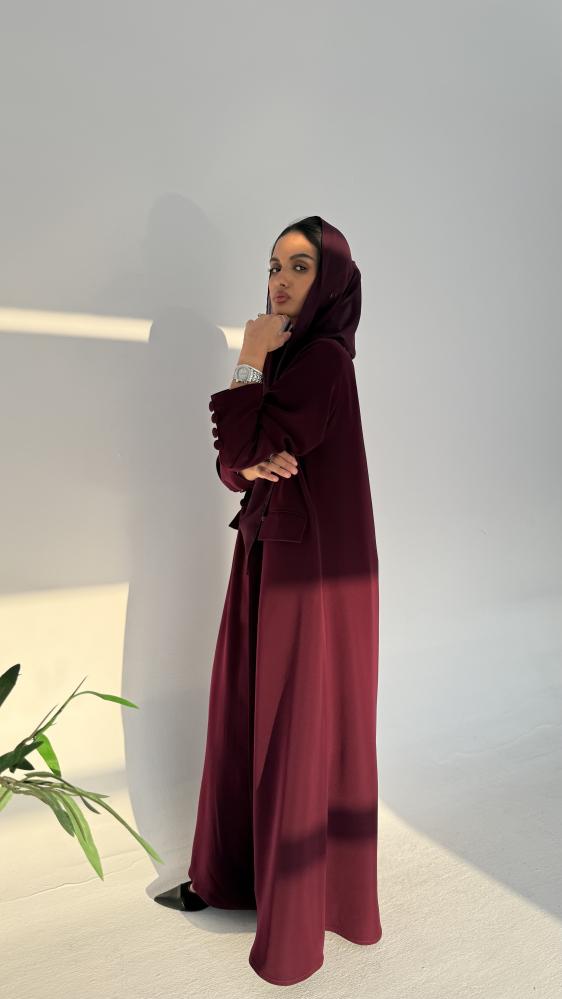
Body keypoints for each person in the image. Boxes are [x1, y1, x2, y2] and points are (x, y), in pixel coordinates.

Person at [155, 216, 382, 986]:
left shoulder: (322, 360)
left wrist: (248, 358)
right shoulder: (292, 358)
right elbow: (236, 468)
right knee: (246, 711)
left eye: (300, 266)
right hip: (268, 556)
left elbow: (242, 449)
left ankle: (297, 912)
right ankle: (234, 878)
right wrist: (252, 447)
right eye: (274, 266)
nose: (280, 280)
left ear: (331, 281)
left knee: (291, 723)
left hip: (310, 574)